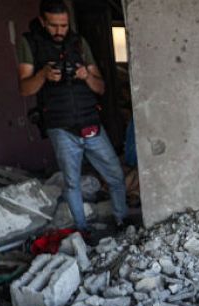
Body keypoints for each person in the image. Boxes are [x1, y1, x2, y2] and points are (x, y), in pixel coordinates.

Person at [17, 0, 131, 233]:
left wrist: (86, 76)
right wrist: (43, 75)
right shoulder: (29, 43)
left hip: (91, 122)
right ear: (42, 21)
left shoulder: (79, 43)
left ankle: (122, 220)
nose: (60, 31)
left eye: (64, 25)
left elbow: (100, 88)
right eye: (53, 26)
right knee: (72, 182)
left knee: (116, 176)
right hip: (61, 125)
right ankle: (82, 230)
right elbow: (25, 89)